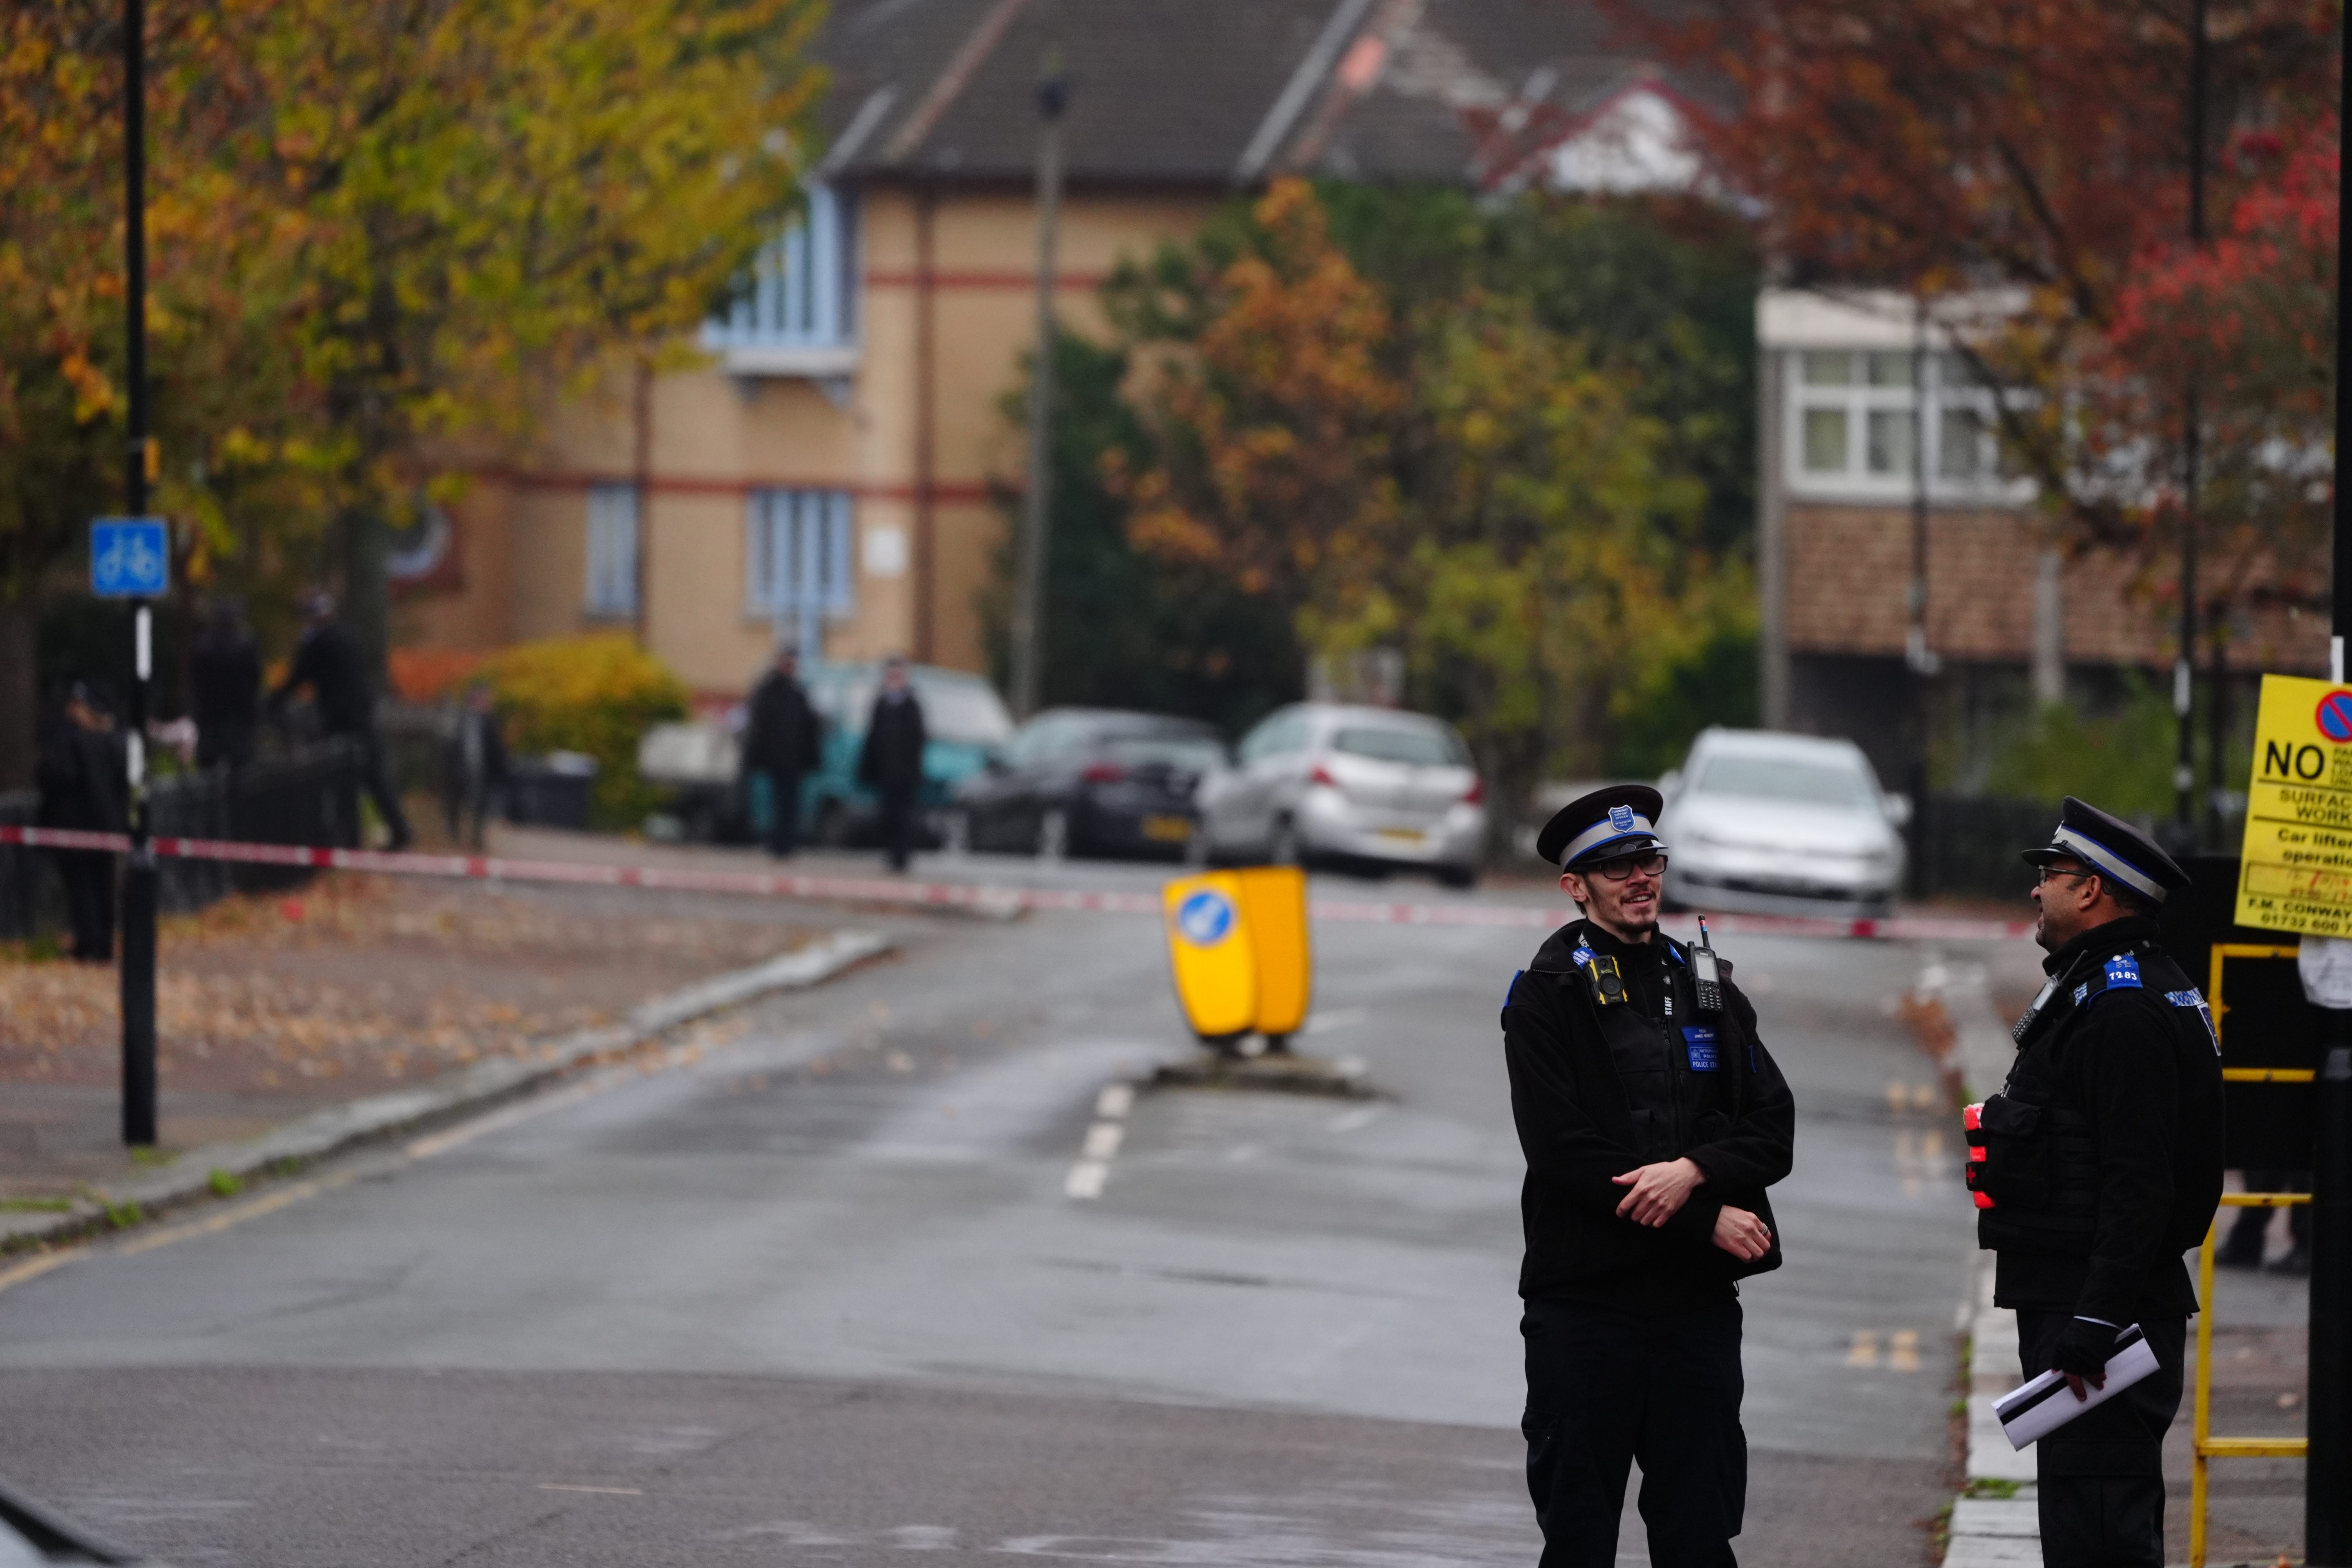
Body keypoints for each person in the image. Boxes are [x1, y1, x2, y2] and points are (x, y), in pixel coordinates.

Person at [1502, 784, 1795, 1568]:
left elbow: (1774, 1126)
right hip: (1585, 1308)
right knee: (1580, 1535)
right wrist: (1705, 1215)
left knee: (1699, 1534)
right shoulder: (1546, 995)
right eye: (1615, 865)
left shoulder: (1706, 984)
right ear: (1577, 886)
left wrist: (1696, 1167)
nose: (1640, 876)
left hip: (1693, 1311)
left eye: (1649, 860)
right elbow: (1563, 1153)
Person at [1965, 797, 2224, 1568]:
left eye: (2050, 873)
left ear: (2093, 889)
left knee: (2101, 1532)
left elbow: (2143, 1184)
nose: (2037, 889)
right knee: (2088, 1518)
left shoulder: (2122, 1006)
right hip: (2090, 1305)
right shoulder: (2116, 984)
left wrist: (2095, 1321)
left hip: (2102, 1319)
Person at [268, 590, 412, 851]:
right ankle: (399, 829)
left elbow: (299, 677)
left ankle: (352, 839)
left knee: (344, 780)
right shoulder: (348, 635)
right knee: (374, 776)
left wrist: (272, 702)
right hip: (362, 716)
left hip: (341, 720)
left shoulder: (318, 643)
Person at [35, 680, 127, 963]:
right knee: (102, 887)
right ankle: (102, 943)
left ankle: (90, 945)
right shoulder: (112, 741)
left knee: (83, 888)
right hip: (105, 827)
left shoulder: (68, 741)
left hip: (75, 828)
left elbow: (53, 776)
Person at [742, 648, 822, 857]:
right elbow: (759, 725)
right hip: (775, 759)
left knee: (791, 802)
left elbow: (807, 725)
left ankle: (787, 842)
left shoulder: (798, 691)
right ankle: (776, 841)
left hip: (794, 760)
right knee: (774, 801)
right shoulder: (769, 690)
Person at [857, 656, 927, 873]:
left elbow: (919, 738)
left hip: (905, 773)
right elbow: (873, 738)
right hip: (885, 772)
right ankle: (891, 853)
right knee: (887, 815)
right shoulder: (881, 703)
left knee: (904, 815)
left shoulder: (912, 704)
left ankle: (902, 855)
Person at [189, 598, 262, 772]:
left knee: (209, 765)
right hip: (238, 715)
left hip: (211, 714)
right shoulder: (246, 644)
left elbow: (196, 678)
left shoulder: (204, 645)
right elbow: (255, 678)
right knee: (241, 767)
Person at [439, 685, 510, 850]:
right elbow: (449, 747)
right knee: (456, 806)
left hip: (481, 771)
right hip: (459, 770)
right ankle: (455, 836)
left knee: (480, 806)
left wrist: (500, 770)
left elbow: (496, 748)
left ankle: (476, 839)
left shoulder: (489, 721)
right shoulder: (460, 719)